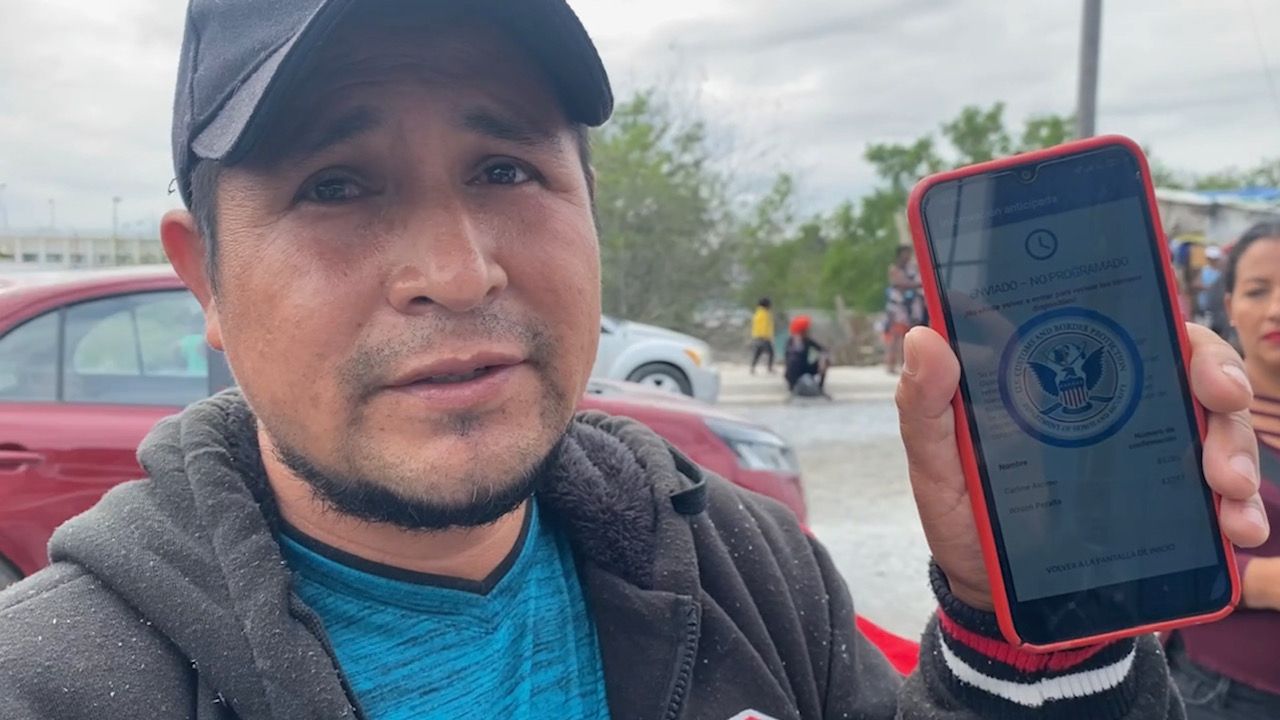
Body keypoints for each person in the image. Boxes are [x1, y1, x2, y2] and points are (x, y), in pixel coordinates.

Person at [0, 1, 1267, 718]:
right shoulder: (62, 686)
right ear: (205, 277)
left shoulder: (738, 568)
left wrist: (1016, 640)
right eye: (335, 183)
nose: (456, 266)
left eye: (505, 168)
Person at [1168, 222, 1280, 719]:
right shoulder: (1198, 413)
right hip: (1222, 693)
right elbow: (1162, 548)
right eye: (1258, 291)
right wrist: (1260, 581)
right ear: (1230, 303)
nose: (1277, 309)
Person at [885, 245, 923, 374]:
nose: (907, 256)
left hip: (910, 305)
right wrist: (915, 284)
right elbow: (900, 283)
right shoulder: (894, 269)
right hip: (897, 306)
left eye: (909, 254)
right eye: (905, 254)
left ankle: (905, 364)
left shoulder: (911, 268)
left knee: (907, 336)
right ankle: (890, 364)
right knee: (896, 335)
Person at [784, 314, 830, 397]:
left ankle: (792, 387)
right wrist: (823, 361)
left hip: (794, 372)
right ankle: (820, 387)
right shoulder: (805, 340)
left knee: (824, 359)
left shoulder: (790, 341)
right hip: (800, 370)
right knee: (825, 360)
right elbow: (823, 350)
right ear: (803, 330)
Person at [1196, 245, 1224, 325]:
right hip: (1206, 305)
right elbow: (1197, 284)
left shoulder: (1221, 271)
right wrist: (1209, 287)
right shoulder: (1204, 270)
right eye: (1212, 259)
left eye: (1215, 259)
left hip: (1219, 306)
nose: (1214, 261)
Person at [749, 297, 775, 374]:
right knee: (771, 353)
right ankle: (769, 368)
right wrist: (766, 337)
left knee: (757, 353)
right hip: (764, 337)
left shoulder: (757, 313)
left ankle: (752, 368)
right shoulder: (765, 314)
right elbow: (765, 326)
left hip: (756, 337)